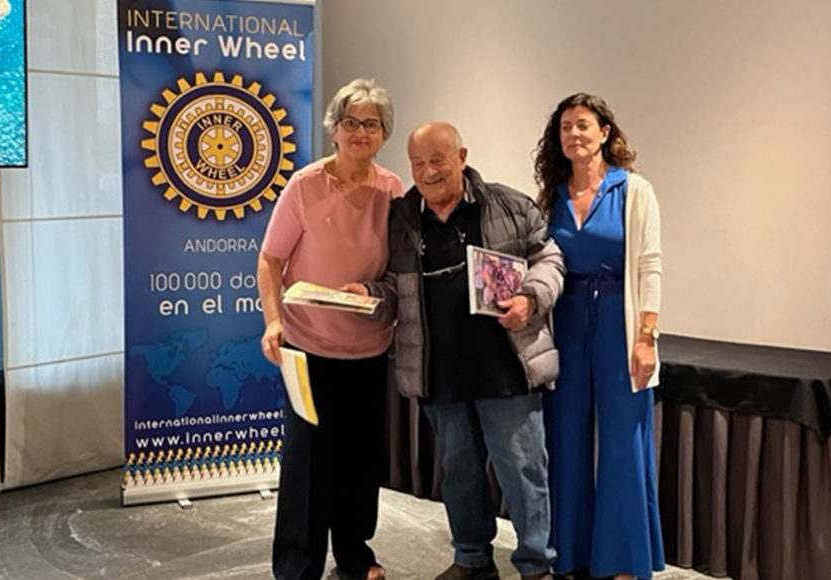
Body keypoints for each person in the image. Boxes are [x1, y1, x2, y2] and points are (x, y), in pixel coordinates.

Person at [345, 122, 564, 580]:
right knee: (460, 474)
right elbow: (394, 287)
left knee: (523, 472)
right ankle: (471, 559)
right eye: (418, 163)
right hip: (439, 370)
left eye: (437, 160)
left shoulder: (508, 204)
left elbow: (549, 259)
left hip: (506, 367)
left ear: (461, 157)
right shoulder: (401, 218)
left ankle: (535, 565)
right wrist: (367, 296)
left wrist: (529, 299)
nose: (428, 172)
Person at [257, 78, 403, 580]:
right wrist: (273, 321)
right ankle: (298, 566)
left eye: (371, 124)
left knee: (359, 460)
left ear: (383, 133)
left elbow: (397, 270)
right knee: (308, 462)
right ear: (334, 129)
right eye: (350, 122)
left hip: (368, 347)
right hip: (308, 346)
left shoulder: (393, 190)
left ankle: (354, 556)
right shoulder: (305, 186)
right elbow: (270, 260)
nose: (360, 132)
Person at [533, 93, 665, 580]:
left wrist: (646, 336)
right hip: (566, 322)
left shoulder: (634, 190)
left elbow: (650, 265)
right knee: (564, 436)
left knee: (622, 441)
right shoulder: (551, 197)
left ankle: (625, 560)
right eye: (566, 126)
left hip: (618, 322)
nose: (574, 134)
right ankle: (568, 554)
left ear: (605, 132)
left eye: (583, 125)